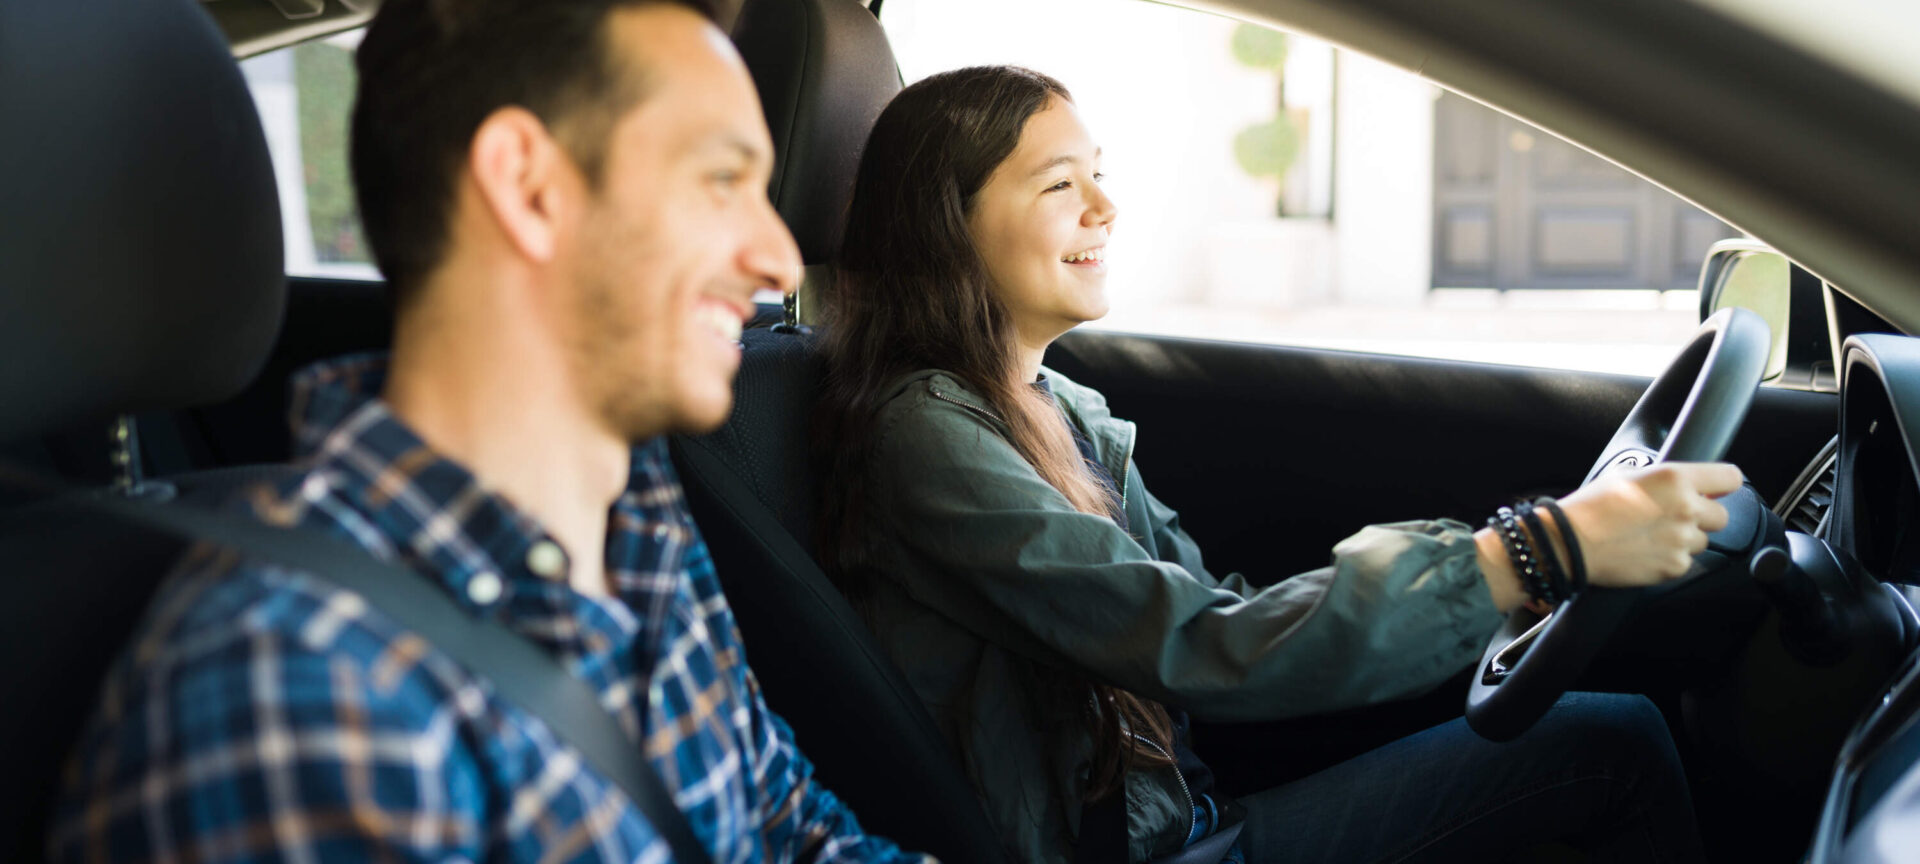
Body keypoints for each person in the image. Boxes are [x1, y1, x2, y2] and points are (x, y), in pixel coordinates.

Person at [48, 1, 922, 861]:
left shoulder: (640, 526)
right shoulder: (301, 688)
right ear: (529, 186)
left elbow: (791, 830)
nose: (776, 256)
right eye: (722, 181)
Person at [815, 64, 1738, 864]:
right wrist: (1526, 553)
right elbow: (1207, 644)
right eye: (1060, 186)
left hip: (1183, 815)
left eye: (1100, 175)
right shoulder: (927, 437)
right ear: (950, 221)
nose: (1106, 207)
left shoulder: (1059, 410)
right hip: (1151, 849)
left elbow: (1223, 603)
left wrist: (1498, 583)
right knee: (1611, 746)